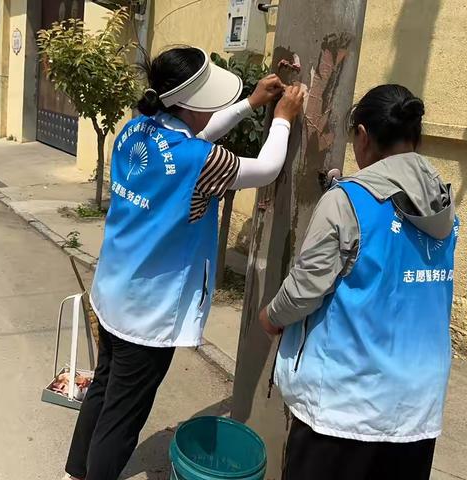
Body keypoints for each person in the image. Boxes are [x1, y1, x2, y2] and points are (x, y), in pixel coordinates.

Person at [62, 46, 304, 480]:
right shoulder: (201, 161)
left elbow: (194, 139)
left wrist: (250, 104)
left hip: (113, 291)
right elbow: (267, 168)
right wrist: (283, 117)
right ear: (189, 104)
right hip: (147, 311)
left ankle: (75, 470)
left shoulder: (136, 130)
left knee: (104, 386)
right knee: (124, 413)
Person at [260, 84, 459, 480]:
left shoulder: (347, 200)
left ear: (363, 136)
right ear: (414, 138)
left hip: (344, 410)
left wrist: (271, 316)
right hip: (416, 411)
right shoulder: (443, 205)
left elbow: (304, 289)